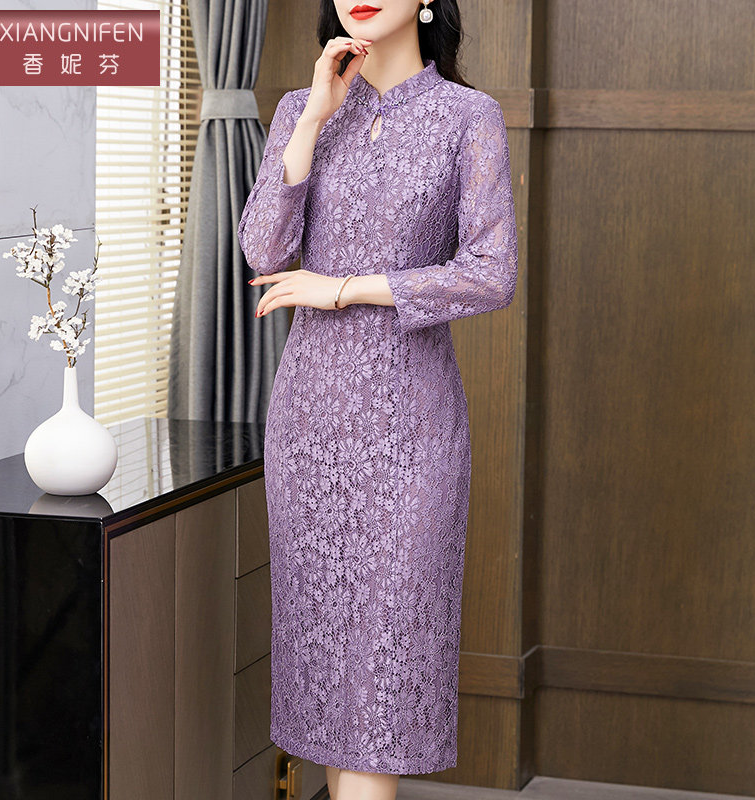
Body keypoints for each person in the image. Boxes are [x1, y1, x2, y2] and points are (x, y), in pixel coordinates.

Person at [238, 1, 518, 798]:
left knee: (382, 672)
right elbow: (262, 249)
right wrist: (312, 121)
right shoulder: (302, 108)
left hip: (412, 428)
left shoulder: (468, 117)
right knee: (329, 671)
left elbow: (491, 273)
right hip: (310, 425)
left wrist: (345, 288)